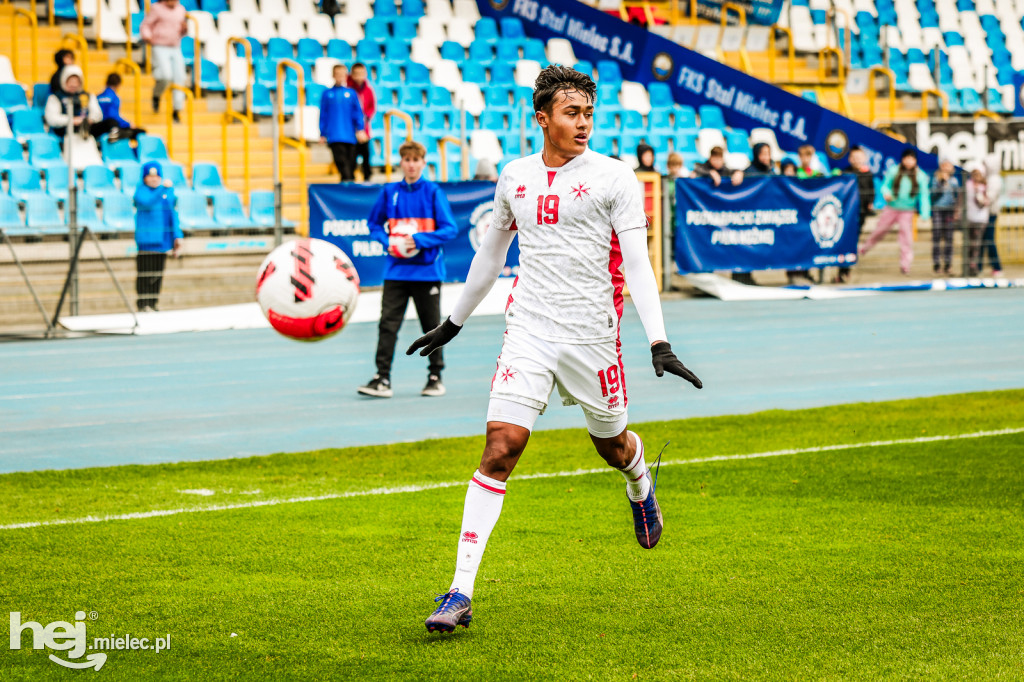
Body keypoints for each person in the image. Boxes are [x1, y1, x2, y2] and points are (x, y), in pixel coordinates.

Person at [411, 65, 702, 633]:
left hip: (594, 336)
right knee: (501, 447)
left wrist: (659, 340)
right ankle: (459, 591)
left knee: (612, 446)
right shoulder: (514, 177)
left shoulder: (616, 178)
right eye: (572, 113)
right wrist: (454, 321)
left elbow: (638, 263)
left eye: (589, 113)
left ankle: (640, 480)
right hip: (530, 330)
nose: (584, 123)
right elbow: (491, 258)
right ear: (542, 118)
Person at [357, 139, 458, 399]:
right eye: (407, 160)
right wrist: (386, 242)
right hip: (396, 272)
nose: (411, 165)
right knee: (387, 325)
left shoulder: (433, 192)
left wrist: (419, 240)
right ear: (401, 162)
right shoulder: (389, 191)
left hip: (427, 273)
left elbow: (450, 229)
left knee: (432, 326)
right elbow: (374, 224)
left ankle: (435, 377)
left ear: (423, 163)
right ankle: (382, 378)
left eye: (416, 160)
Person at [859, 148, 931, 275]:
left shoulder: (920, 175)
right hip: (892, 208)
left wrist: (925, 213)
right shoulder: (894, 170)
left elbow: (924, 195)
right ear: (903, 159)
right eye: (906, 158)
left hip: (907, 211)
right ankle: (864, 249)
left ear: (915, 161)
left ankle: (905, 264)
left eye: (911, 159)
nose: (909, 161)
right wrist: (887, 193)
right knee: (879, 231)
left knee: (906, 238)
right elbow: (885, 185)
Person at [133, 162, 182, 312]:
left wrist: (178, 236)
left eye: (157, 177)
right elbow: (146, 203)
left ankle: (153, 302)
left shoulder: (166, 193)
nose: (154, 180)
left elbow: (172, 215)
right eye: (150, 176)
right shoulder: (141, 192)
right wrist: (163, 188)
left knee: (158, 274)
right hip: (147, 243)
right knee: (145, 274)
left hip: (163, 242)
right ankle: (143, 303)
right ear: (145, 178)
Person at [140, 0, 187, 122]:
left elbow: (182, 29)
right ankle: (156, 94)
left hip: (175, 47)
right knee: (165, 75)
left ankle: (176, 110)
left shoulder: (180, 9)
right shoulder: (156, 8)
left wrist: (184, 29)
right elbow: (146, 25)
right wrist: (147, 36)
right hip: (160, 45)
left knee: (180, 77)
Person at [319, 64, 368, 182]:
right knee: (342, 164)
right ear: (333, 76)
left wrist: (360, 129)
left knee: (351, 166)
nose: (340, 77)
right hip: (335, 136)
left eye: (343, 74)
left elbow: (357, 113)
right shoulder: (327, 94)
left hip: (350, 136)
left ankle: (349, 193)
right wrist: (322, 132)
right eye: (337, 74)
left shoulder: (351, 93)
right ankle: (348, 190)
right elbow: (323, 115)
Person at [837, 145, 876, 283]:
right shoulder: (845, 173)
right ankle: (841, 270)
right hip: (847, 214)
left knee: (853, 242)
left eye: (859, 157)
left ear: (864, 158)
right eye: (854, 157)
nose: (857, 160)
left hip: (861, 214)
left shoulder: (868, 173)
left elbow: (871, 191)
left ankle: (846, 270)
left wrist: (870, 203)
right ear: (849, 159)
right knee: (844, 241)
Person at [43, 66, 102, 143]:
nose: (73, 85)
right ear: (64, 80)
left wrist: (88, 120)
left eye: (76, 81)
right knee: (74, 128)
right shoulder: (55, 97)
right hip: (65, 129)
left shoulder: (88, 96)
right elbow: (52, 119)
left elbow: (98, 114)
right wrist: (72, 120)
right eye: (71, 81)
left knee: (110, 123)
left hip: (87, 127)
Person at [929, 156, 959, 276]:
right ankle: (937, 264)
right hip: (937, 210)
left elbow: (957, 196)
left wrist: (956, 210)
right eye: (944, 165)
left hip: (949, 211)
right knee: (936, 237)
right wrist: (941, 183)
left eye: (949, 165)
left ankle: (948, 264)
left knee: (949, 238)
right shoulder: (935, 179)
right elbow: (933, 194)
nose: (946, 167)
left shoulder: (955, 181)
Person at [96, 73, 146, 142]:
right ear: (118, 85)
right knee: (141, 131)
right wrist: (128, 124)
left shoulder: (98, 97)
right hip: (110, 126)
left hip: (99, 127)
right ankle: (119, 135)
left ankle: (116, 134)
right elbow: (112, 116)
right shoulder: (114, 97)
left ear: (106, 82)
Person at [347, 63, 376, 181]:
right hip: (350, 131)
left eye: (362, 74)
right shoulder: (348, 90)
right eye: (357, 74)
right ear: (352, 75)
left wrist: (365, 121)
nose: (359, 76)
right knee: (351, 158)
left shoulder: (368, 90)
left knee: (366, 155)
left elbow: (371, 107)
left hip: (365, 130)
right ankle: (351, 181)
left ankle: (367, 178)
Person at [979, 154, 1003, 277]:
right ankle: (978, 267)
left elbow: (989, 197)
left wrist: (980, 199)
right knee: (982, 240)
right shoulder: (987, 177)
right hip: (983, 213)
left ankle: (997, 267)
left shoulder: (995, 179)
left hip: (990, 213)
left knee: (988, 240)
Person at [964, 162, 989, 277]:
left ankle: (974, 267)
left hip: (980, 219)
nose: (976, 177)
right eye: (974, 174)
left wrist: (977, 194)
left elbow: (983, 203)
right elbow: (961, 199)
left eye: (978, 174)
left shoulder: (984, 187)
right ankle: (967, 267)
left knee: (976, 244)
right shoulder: (967, 185)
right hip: (969, 218)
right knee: (968, 244)